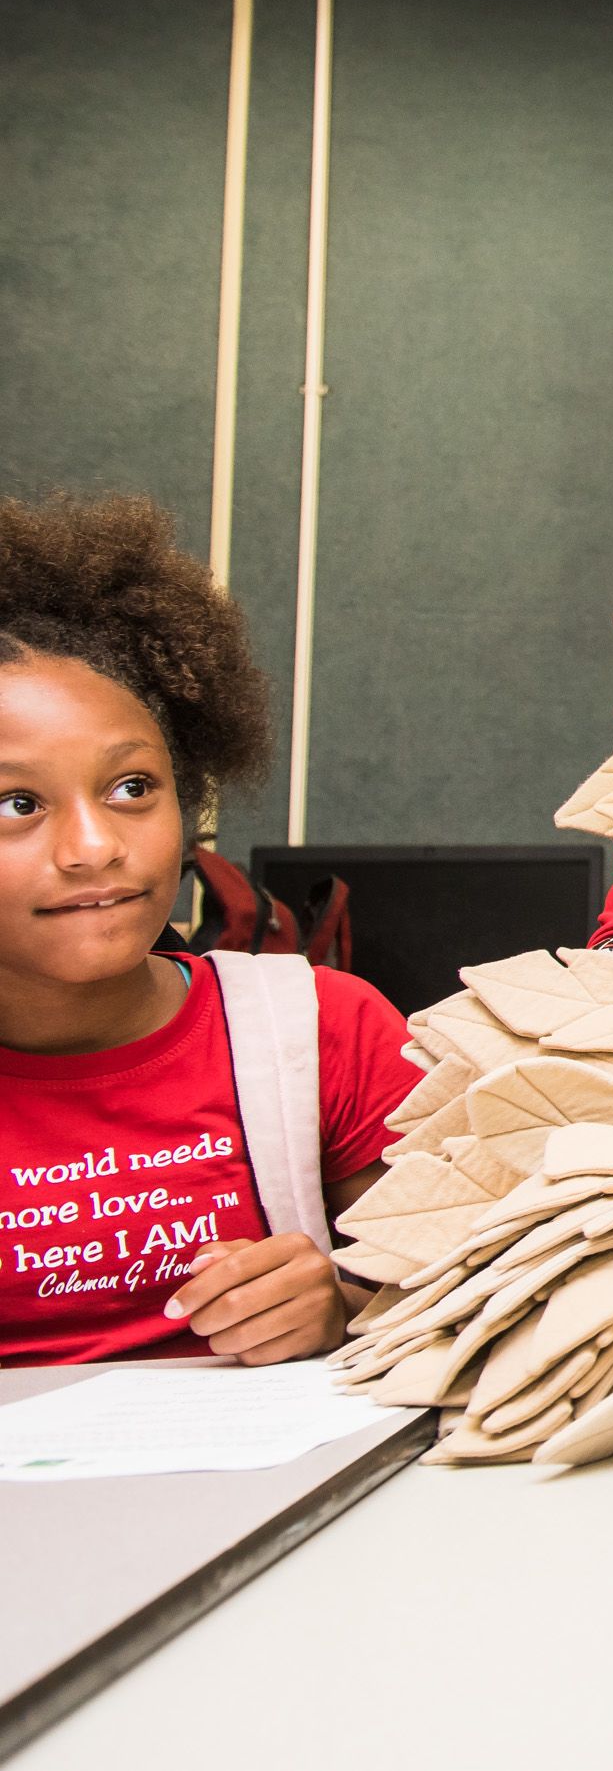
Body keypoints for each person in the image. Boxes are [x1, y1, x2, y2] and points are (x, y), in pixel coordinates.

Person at [0, 494, 414, 1366]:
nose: (93, 847)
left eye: (132, 788)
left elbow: (460, 1296)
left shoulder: (322, 1030)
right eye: (18, 804)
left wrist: (344, 1305)